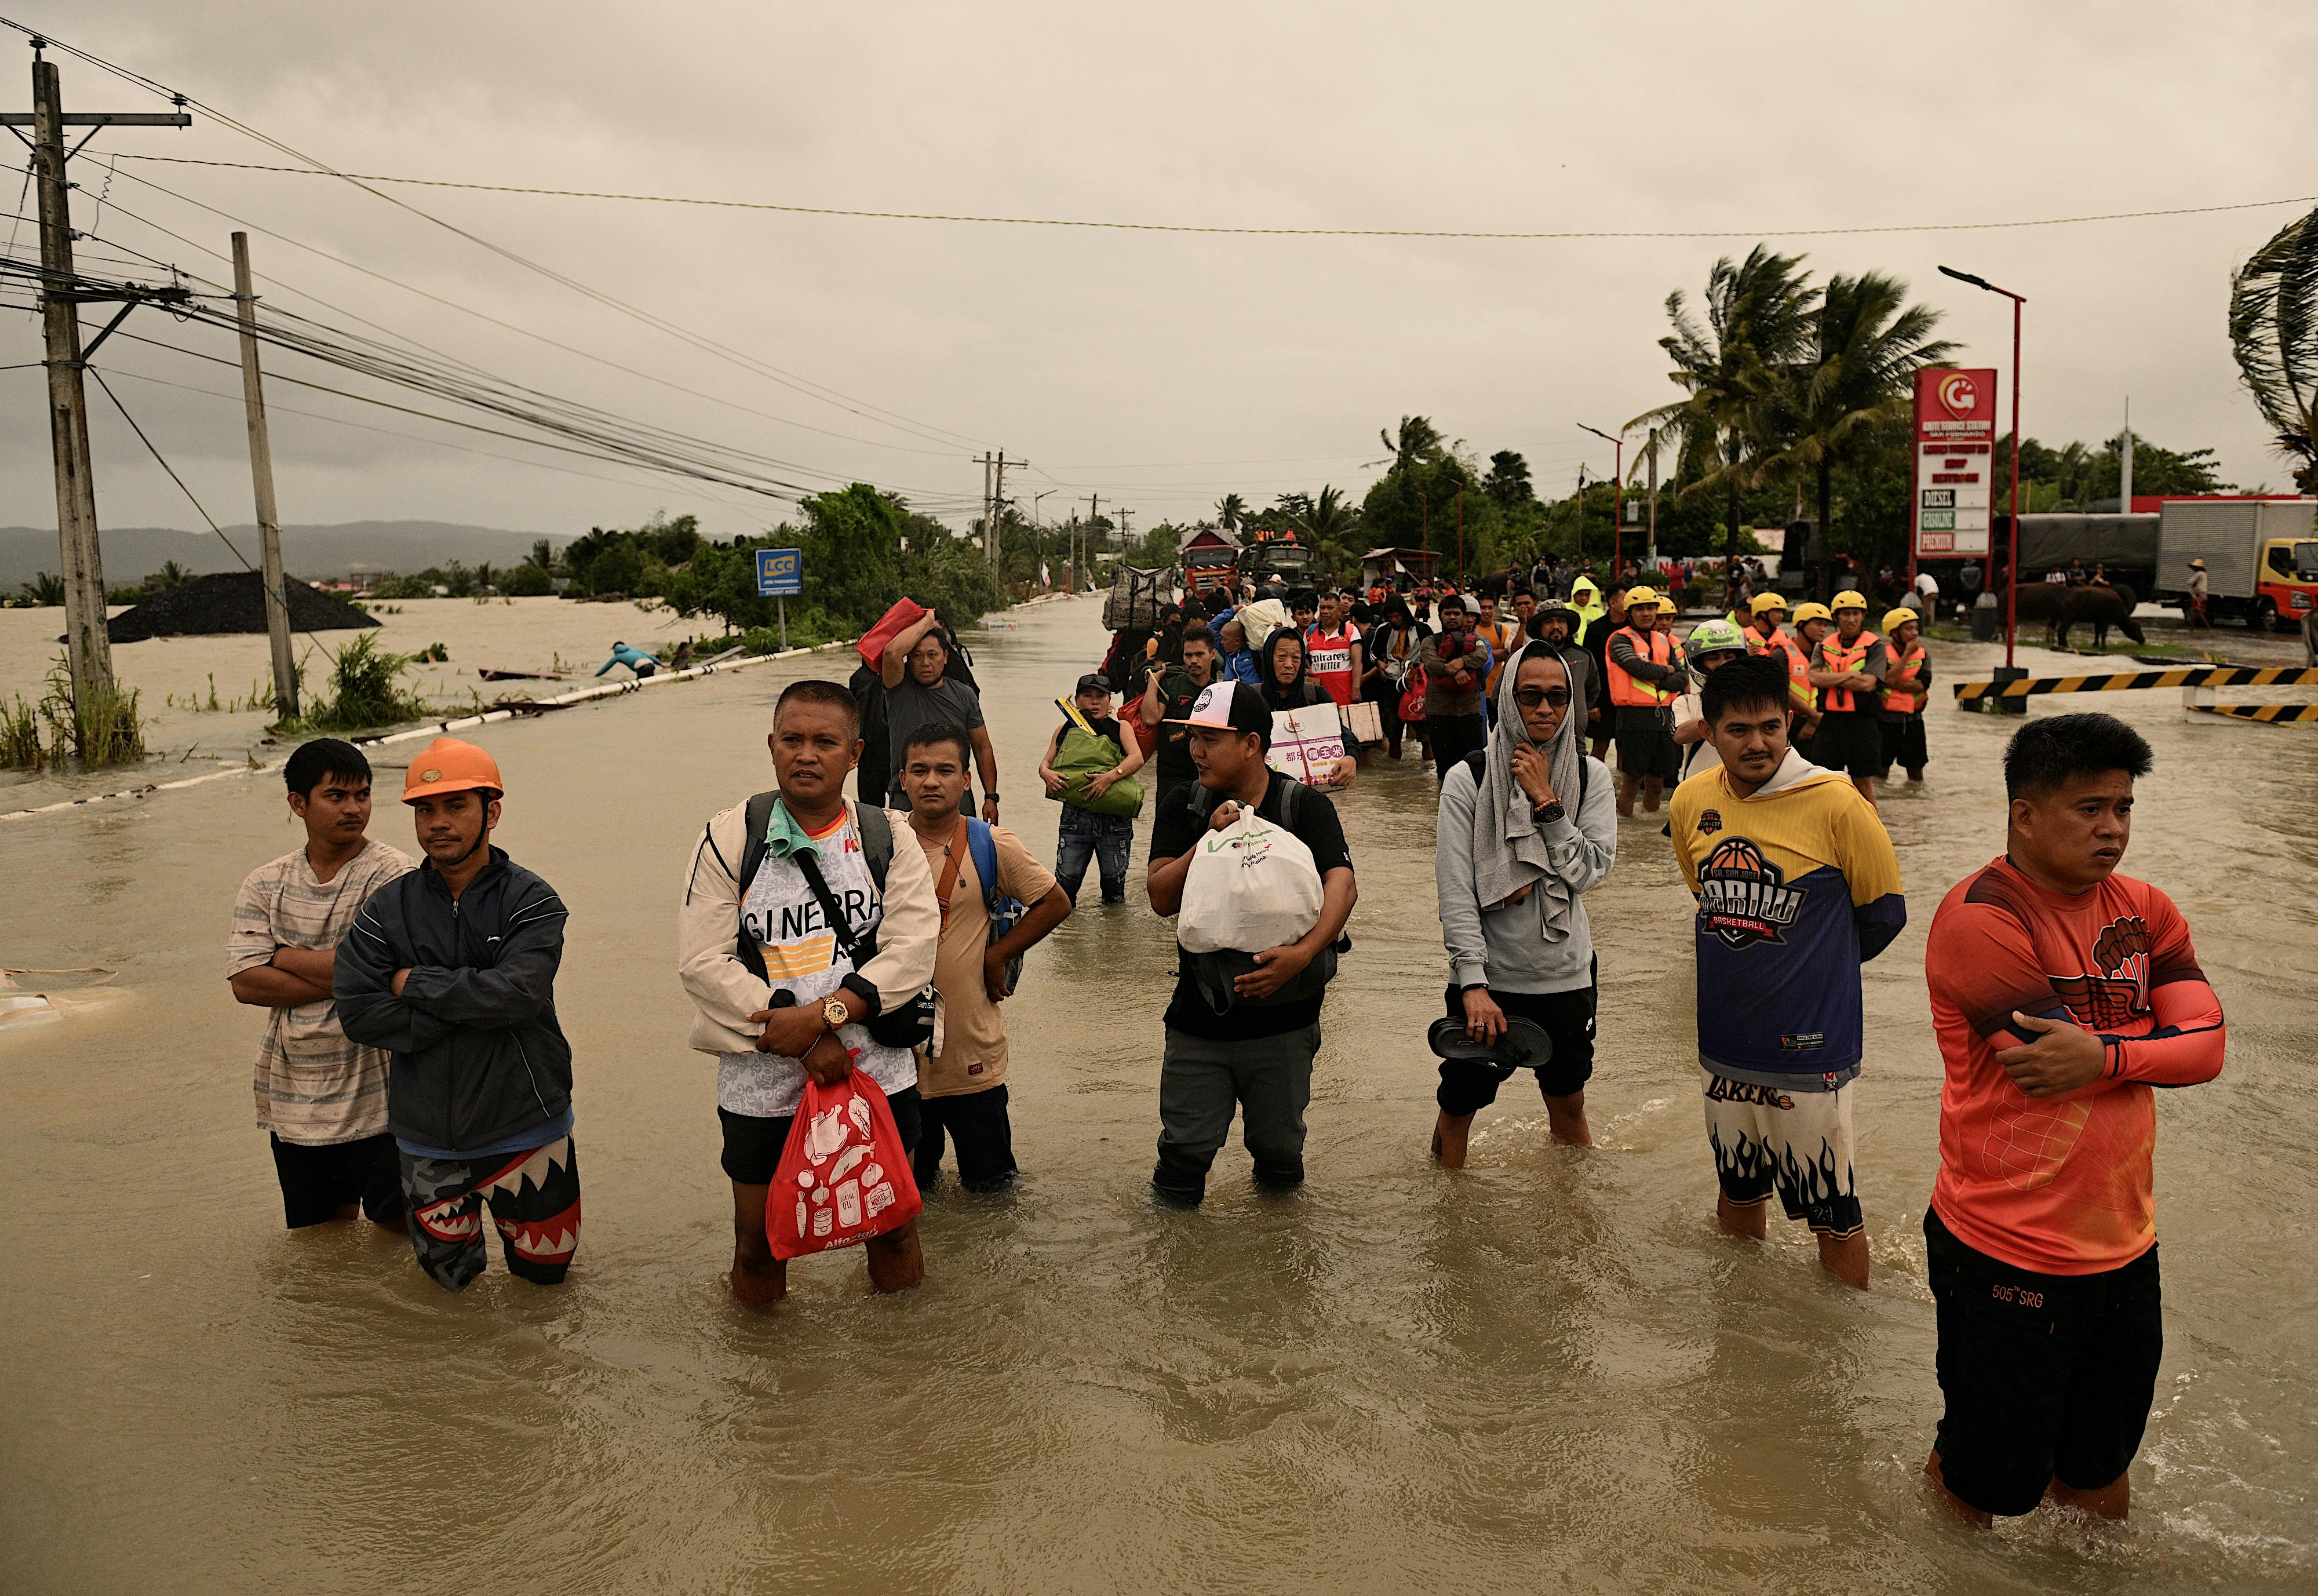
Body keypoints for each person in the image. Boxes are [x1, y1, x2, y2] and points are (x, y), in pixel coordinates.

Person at [1920, 713, 2225, 1525]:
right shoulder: (1981, 917)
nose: (2113, 829)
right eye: (2090, 808)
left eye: (2124, 808)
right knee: (1986, 1481)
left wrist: (2111, 1057)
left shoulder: (2146, 908)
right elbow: (2045, 1068)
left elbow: (2211, 1048)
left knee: (2100, 1466)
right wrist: (2148, 1044)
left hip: (2127, 1242)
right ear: (2024, 812)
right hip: (2005, 1245)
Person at [675, 680, 940, 1305]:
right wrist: (794, 1040)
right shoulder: (730, 837)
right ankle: (765, 1393)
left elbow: (913, 946)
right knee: (758, 1248)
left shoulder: (887, 835)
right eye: (792, 739)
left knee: (894, 1235)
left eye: (825, 742)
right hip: (760, 1084)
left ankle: (911, 1379)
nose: (806, 754)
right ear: (771, 746)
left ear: (855, 754)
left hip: (876, 1074)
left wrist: (826, 1016)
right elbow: (701, 961)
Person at [1668, 657, 1905, 1291]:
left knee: (1832, 1211)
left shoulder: (1837, 803)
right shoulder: (1691, 800)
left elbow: (1885, 916)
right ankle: (1746, 1321)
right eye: (1738, 730)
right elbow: (1706, 899)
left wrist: (1812, 972)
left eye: (1771, 727)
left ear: (1791, 724)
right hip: (1723, 1040)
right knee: (1738, 1188)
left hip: (1810, 1047)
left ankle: (1837, 1345)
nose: (1757, 743)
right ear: (1709, 733)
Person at [335, 738, 580, 1293]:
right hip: (426, 1144)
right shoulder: (386, 909)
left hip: (528, 1132)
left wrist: (413, 983)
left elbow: (518, 995)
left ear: (492, 811)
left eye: (455, 806)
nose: (437, 823)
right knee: (450, 1304)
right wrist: (467, 1009)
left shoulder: (532, 902)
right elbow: (357, 1011)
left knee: (546, 1294)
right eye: (425, 809)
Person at [1145, 681, 1357, 1206]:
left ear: (1252, 744)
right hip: (1200, 1020)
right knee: (1182, 1159)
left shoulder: (1302, 806)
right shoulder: (1184, 804)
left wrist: (1303, 955)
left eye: (1211, 738)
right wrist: (1206, 844)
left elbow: (1343, 885)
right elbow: (1159, 897)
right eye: (1193, 737)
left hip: (1286, 1021)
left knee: (1280, 1156)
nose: (1196, 750)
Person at [1432, 645, 1616, 1163]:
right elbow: (1456, 891)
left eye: (1558, 698)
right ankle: (1448, 1219)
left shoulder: (1592, 776)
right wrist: (1472, 984)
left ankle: (1571, 1221)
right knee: (1458, 1108)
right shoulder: (1467, 779)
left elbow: (1591, 872)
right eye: (1530, 696)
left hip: (1567, 977)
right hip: (1489, 983)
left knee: (1570, 1108)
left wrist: (1545, 800)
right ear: (1508, 700)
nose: (1545, 710)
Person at [228, 739, 416, 1231]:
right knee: (321, 1244)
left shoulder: (393, 874)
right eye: (336, 796)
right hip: (295, 1092)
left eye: (363, 795)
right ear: (298, 803)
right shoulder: (266, 883)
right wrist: (353, 973)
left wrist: (282, 956)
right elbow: (246, 983)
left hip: (382, 1089)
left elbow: (389, 969)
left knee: (400, 1233)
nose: (354, 809)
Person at [896, 726, 1073, 1192]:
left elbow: (1055, 901)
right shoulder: (881, 846)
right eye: (920, 771)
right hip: (897, 1060)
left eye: (945, 771)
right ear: (903, 780)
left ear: (967, 780)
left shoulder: (992, 843)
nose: (932, 781)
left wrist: (998, 954)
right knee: (909, 1197)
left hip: (973, 1057)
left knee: (992, 1192)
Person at [880, 608, 1000, 819]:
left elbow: (982, 747)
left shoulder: (964, 694)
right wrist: (927, 621)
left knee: (961, 852)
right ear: (908, 659)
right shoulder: (898, 690)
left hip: (956, 793)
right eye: (917, 656)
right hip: (907, 794)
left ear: (945, 657)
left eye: (932, 655)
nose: (925, 663)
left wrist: (991, 797)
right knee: (907, 852)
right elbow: (891, 653)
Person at [1040, 673, 1148, 905]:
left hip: (1114, 820)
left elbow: (1137, 758)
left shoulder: (1121, 728)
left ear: (1110, 701)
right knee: (1065, 888)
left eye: (1101, 696)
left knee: (1114, 891)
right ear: (1077, 700)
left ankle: (1113, 938)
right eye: (1088, 696)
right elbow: (1046, 763)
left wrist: (1109, 778)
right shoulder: (1064, 729)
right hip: (1075, 818)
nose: (1094, 702)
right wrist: (1046, 774)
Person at [1605, 585, 1685, 817]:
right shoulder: (1619, 640)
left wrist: (1661, 680)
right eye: (1640, 609)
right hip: (1633, 718)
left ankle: (1649, 821)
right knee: (1631, 781)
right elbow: (1636, 667)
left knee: (1658, 781)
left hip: (1663, 717)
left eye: (1651, 608)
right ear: (1630, 613)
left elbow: (1681, 678)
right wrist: (1666, 671)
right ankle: (1624, 825)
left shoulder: (1664, 640)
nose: (1647, 613)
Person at [1807, 590, 1889, 806]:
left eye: (1856, 614)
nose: (1851, 619)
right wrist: (1850, 676)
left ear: (1863, 616)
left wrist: (1831, 678)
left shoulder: (1875, 646)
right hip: (1830, 722)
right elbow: (1814, 678)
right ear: (1836, 618)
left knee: (1862, 782)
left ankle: (1872, 831)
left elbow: (1868, 683)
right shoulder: (1823, 646)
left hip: (1863, 722)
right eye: (1845, 614)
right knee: (1824, 781)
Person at [1255, 630, 1361, 787]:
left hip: (1309, 791)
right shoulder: (1253, 699)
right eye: (1282, 657)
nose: (1289, 665)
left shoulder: (1316, 695)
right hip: (1264, 789)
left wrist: (1352, 757)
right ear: (1269, 658)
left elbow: (1340, 731)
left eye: (1296, 658)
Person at [1143, 623, 1222, 796]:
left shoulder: (1220, 692)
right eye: (1189, 655)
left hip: (1205, 769)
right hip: (1171, 769)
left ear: (1213, 654)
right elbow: (1150, 718)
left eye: (1200, 654)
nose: (1193, 660)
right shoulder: (1172, 684)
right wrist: (1153, 683)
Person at [1670, 618, 1751, 784]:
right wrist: (1726, 714)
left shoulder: (1759, 700)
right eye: (1714, 658)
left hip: (1748, 785)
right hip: (1698, 786)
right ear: (1699, 664)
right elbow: (1680, 736)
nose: (1723, 664)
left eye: (1729, 657)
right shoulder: (1685, 702)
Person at [1421, 595, 1491, 779]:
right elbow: (1431, 663)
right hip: (1439, 714)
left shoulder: (1477, 639)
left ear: (1463, 616)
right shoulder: (1430, 641)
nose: (1452, 617)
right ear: (1440, 616)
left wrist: (1462, 661)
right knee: (1444, 770)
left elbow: (1483, 655)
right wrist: (1455, 670)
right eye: (1448, 613)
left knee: (1474, 768)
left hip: (1469, 713)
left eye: (1457, 613)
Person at [1361, 596, 1426, 761]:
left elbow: (1431, 652)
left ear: (1404, 613)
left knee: (1425, 734)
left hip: (1417, 685)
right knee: (1393, 732)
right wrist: (1380, 662)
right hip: (1391, 685)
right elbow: (1372, 653)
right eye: (1390, 616)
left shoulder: (1422, 629)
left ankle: (1428, 768)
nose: (1394, 620)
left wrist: (1423, 668)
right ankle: (1395, 767)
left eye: (1397, 616)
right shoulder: (1383, 630)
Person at [1878, 608, 1932, 782]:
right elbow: (1883, 681)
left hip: (1913, 721)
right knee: (1880, 774)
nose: (1915, 633)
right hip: (1885, 721)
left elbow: (1922, 685)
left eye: (1916, 628)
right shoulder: (1881, 653)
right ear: (1894, 633)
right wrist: (1907, 654)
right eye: (1909, 629)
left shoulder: (1924, 655)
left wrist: (1894, 683)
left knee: (1916, 776)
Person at [1580, 582, 1625, 763]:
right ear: (1613, 603)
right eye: (1625, 600)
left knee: (1626, 748)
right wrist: (1592, 703)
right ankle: (1594, 785)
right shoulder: (1596, 629)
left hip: (1627, 698)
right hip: (1603, 697)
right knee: (1600, 745)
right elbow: (1588, 668)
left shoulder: (1633, 628)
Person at [1784, 600, 1834, 766]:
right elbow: (1780, 690)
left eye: (1826, 625)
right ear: (1801, 625)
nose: (1823, 629)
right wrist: (1812, 717)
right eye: (1818, 624)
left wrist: (1814, 720)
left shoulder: (1827, 654)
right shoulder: (1781, 653)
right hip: (1792, 722)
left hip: (1819, 720)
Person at [1303, 592, 1364, 710]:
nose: (1325, 611)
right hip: (1318, 700)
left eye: (1330, 608)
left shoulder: (1351, 630)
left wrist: (1356, 690)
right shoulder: (1310, 633)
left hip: (1345, 697)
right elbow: (1301, 660)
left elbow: (1357, 662)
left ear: (1339, 610)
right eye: (1322, 607)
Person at [1477, 593, 1523, 700]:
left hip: (1496, 691)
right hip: (1476, 692)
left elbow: (1507, 655)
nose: (1487, 611)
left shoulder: (1502, 630)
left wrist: (1480, 655)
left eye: (1490, 608)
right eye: (1483, 608)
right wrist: (1495, 654)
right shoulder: (1471, 631)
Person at [1216, 616, 1263, 686]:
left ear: (1237, 641)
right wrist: (1233, 610)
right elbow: (1212, 627)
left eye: (1225, 639)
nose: (1222, 642)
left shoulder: (1256, 655)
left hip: (1252, 695)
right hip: (1230, 694)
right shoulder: (1228, 654)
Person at [595, 640, 661, 679]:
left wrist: (597, 675)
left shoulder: (618, 656)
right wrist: (661, 664)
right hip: (651, 665)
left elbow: (608, 666)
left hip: (642, 668)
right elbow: (649, 656)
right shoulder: (634, 649)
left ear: (615, 649)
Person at [2185, 557, 2211, 632]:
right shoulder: (2204, 574)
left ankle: (2208, 628)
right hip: (2203, 595)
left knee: (2198, 612)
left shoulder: (2199, 574)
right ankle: (2192, 628)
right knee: (2195, 612)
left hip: (2198, 595)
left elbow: (2191, 582)